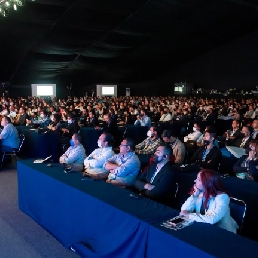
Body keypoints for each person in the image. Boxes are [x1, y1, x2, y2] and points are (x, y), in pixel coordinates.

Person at [180, 169, 238, 233]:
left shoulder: (222, 197)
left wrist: (189, 215)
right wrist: (194, 195)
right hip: (205, 228)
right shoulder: (200, 192)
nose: (194, 181)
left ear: (208, 183)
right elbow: (184, 210)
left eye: (198, 179)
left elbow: (212, 219)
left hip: (222, 231)